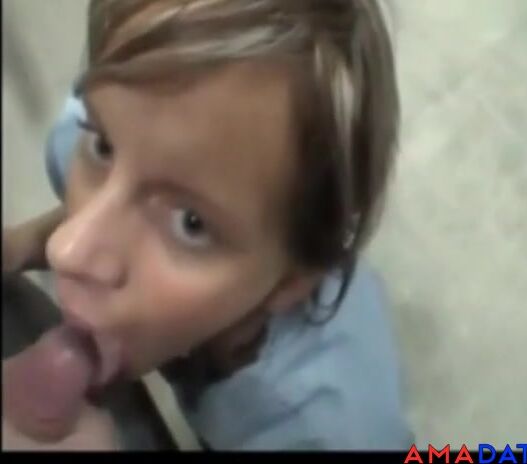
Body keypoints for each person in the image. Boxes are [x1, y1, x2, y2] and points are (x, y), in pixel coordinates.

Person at [2, 0, 413, 450]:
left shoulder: (325, 430)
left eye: (190, 223)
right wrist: (19, 245)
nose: (67, 249)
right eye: (104, 146)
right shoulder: (90, 138)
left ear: (289, 282)